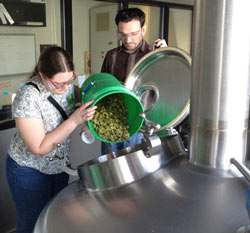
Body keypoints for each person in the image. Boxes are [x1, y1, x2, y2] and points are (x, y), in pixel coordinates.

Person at [5, 46, 97, 233]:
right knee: (33, 225)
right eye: (58, 84)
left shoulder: (66, 82)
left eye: (69, 80)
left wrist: (90, 115)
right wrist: (75, 120)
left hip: (58, 166)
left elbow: (82, 97)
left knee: (53, 219)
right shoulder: (28, 96)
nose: (64, 89)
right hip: (28, 171)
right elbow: (39, 147)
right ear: (43, 75)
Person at [101, 7, 167, 154]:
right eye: (123, 34)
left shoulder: (154, 55)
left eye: (133, 34)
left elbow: (170, 86)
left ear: (143, 30)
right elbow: (102, 88)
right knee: (109, 169)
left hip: (141, 128)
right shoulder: (111, 56)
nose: (128, 40)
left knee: (139, 173)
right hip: (113, 124)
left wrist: (165, 57)